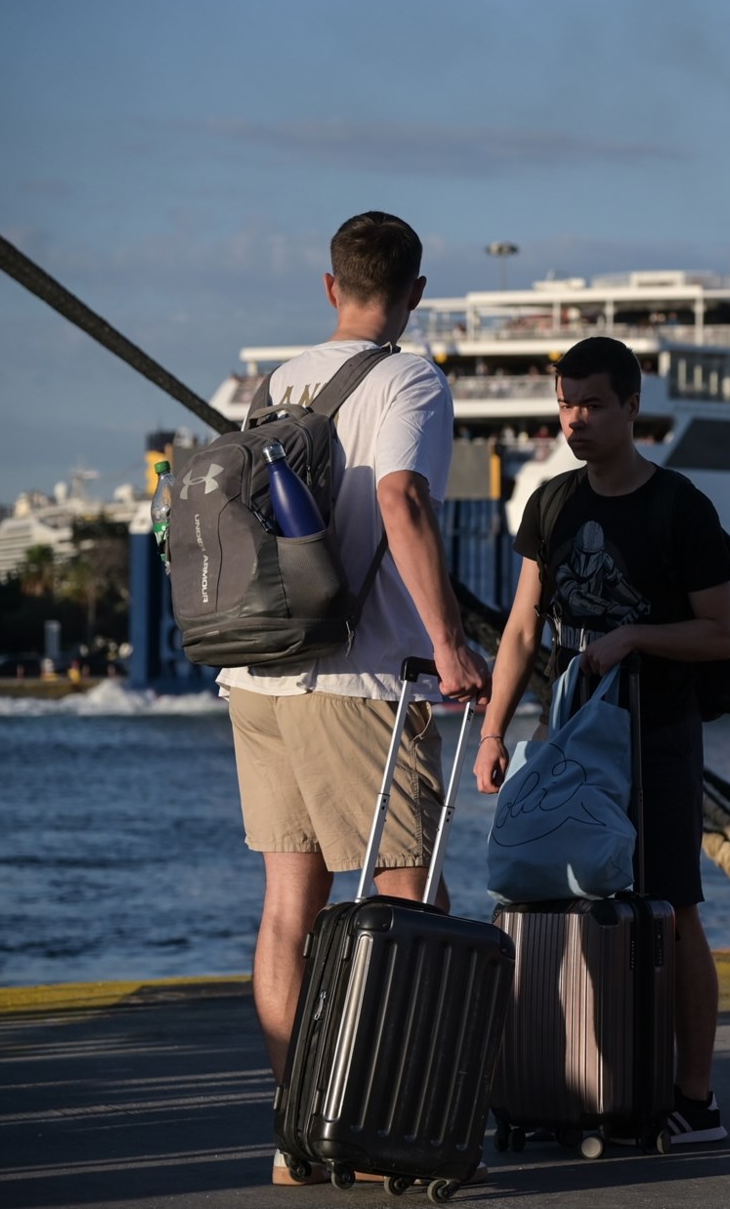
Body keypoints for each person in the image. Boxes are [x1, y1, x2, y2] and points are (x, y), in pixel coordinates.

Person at [218, 212, 493, 1185]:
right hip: (358, 678)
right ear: (415, 292)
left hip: (257, 669)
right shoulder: (409, 378)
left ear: (329, 286)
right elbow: (401, 499)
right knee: (411, 894)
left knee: (289, 907)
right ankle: (389, 1129)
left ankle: (300, 1132)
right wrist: (452, 642)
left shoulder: (276, 380)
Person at [475, 335, 730, 1145]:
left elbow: (720, 633)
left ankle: (694, 1098)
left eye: (592, 404)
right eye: (565, 404)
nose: (575, 420)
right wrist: (493, 730)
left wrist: (632, 638)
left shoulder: (679, 506)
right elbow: (521, 627)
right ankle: (585, 1081)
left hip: (657, 734)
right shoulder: (551, 505)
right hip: (572, 734)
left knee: (673, 908)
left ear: (631, 407)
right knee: (561, 901)